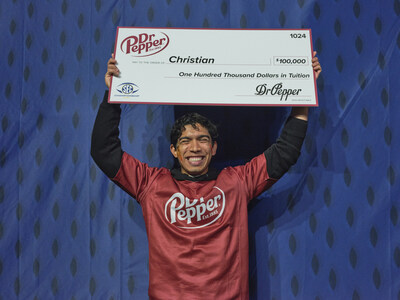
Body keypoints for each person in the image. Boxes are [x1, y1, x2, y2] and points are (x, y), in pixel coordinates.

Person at [91, 53, 321, 300]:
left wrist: (302, 89)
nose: (195, 147)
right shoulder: (151, 184)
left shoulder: (236, 182)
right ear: (174, 150)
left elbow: (285, 151)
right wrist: (113, 95)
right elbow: (104, 150)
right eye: (185, 141)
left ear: (213, 149)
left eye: (203, 140)